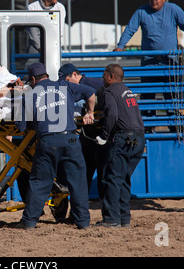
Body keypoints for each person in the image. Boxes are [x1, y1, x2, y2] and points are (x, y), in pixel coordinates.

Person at [15, 62, 96, 229]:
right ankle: (83, 222)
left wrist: (18, 96)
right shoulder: (64, 85)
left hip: (47, 141)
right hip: (70, 139)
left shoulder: (30, 94)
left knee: (39, 183)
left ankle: (29, 221)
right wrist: (90, 112)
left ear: (32, 79)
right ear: (46, 75)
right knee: (78, 182)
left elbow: (21, 127)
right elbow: (90, 92)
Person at [114, 0, 184, 121]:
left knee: (172, 97)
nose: (154, 1)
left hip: (170, 61)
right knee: (148, 96)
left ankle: (174, 128)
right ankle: (149, 128)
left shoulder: (173, 9)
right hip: (149, 62)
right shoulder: (141, 11)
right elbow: (130, 29)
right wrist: (120, 46)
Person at [94, 64, 145, 228]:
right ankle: (124, 219)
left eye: (104, 75)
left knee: (112, 179)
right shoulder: (127, 91)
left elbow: (112, 115)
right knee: (123, 179)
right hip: (138, 138)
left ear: (110, 76)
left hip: (123, 138)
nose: (102, 78)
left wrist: (104, 135)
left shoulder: (110, 91)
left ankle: (111, 219)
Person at [57, 63, 105, 195]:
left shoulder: (90, 83)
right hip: (91, 133)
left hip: (98, 133)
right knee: (86, 173)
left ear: (74, 75)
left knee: (90, 173)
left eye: (67, 81)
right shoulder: (86, 84)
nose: (66, 84)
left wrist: (90, 111)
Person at [26, 0, 66, 64]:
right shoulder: (32, 7)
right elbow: (32, 31)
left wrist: (54, 46)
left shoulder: (60, 7)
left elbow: (59, 31)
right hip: (35, 46)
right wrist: (39, 47)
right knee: (31, 68)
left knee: (56, 68)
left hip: (53, 44)